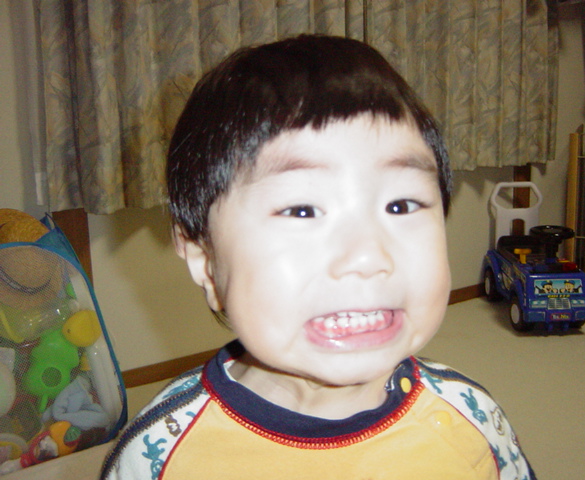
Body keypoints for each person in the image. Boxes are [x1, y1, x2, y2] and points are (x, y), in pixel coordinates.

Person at [101, 34, 535, 479]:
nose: (367, 257)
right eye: (302, 210)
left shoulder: (473, 420)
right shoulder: (158, 455)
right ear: (204, 258)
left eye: (401, 205)